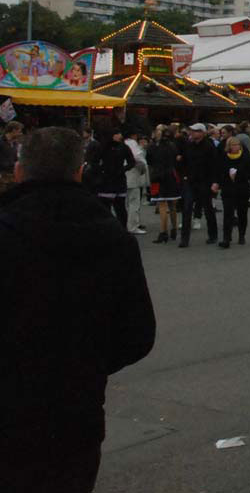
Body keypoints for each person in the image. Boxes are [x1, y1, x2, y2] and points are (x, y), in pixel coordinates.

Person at [0, 127, 156, 493]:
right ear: (80, 171)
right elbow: (138, 335)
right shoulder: (114, 239)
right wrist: (87, 361)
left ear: (20, 171)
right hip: (77, 407)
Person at [179, 122, 219, 243]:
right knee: (186, 209)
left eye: (196, 131)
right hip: (190, 181)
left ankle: (213, 235)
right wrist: (184, 176)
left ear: (202, 133)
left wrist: (215, 182)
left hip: (205, 181)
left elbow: (215, 166)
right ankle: (184, 239)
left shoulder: (209, 146)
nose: (193, 132)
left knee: (208, 209)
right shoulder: (189, 145)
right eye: (192, 130)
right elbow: (184, 162)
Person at [90, 127, 136, 232]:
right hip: (106, 181)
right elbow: (94, 162)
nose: (120, 135)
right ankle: (106, 229)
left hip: (119, 180)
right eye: (117, 133)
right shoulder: (103, 147)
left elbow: (131, 162)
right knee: (105, 207)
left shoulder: (124, 147)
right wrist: (102, 170)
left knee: (120, 208)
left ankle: (122, 229)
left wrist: (123, 169)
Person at [214, 136, 250, 248]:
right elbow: (219, 171)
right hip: (228, 188)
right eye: (233, 145)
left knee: (242, 213)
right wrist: (220, 181)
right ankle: (226, 237)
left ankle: (242, 235)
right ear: (229, 147)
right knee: (228, 213)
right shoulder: (224, 157)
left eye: (237, 145)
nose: (235, 147)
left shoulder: (245, 157)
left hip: (242, 188)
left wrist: (238, 175)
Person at [147, 125, 181, 243]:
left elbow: (149, 160)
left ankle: (163, 232)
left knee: (162, 204)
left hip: (158, 176)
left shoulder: (153, 147)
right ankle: (174, 229)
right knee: (172, 205)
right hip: (171, 175)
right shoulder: (172, 145)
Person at [123, 126, 148, 235]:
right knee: (134, 202)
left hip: (124, 175)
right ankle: (132, 225)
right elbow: (138, 156)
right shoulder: (133, 144)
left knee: (126, 202)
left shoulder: (123, 143)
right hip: (133, 175)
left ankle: (126, 223)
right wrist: (142, 149)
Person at [0, 120, 23, 192]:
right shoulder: (0, 142)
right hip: (2, 174)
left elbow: (15, 158)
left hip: (13, 174)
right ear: (13, 130)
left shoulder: (15, 143)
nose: (21, 133)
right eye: (19, 131)